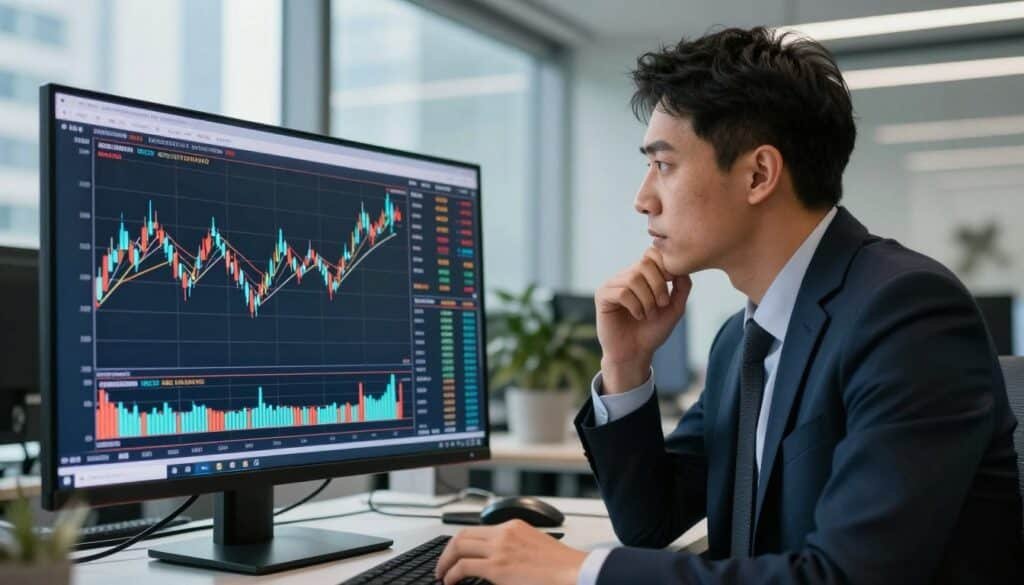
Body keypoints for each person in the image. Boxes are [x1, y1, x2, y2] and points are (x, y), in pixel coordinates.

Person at [435, 26, 1023, 585]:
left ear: (759, 174)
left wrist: (577, 570)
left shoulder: (905, 314)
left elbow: (846, 577)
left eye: (663, 165)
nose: (643, 200)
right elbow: (651, 522)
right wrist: (626, 366)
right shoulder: (741, 339)